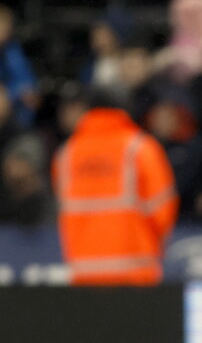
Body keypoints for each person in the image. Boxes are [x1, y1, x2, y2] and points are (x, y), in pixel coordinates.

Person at [51, 91, 179, 285]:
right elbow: (162, 209)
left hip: (84, 273)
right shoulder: (140, 148)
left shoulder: (66, 154)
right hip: (136, 272)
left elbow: (61, 207)